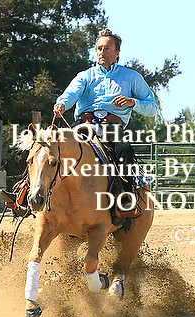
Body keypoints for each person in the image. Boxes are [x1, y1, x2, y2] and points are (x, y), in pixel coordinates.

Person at [53, 29, 158, 210]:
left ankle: (125, 196)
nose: (102, 52)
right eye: (99, 48)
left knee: (124, 149)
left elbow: (152, 108)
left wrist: (132, 102)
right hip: (83, 124)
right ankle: (28, 193)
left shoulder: (131, 77)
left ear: (117, 53)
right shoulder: (85, 76)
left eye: (107, 48)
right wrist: (62, 104)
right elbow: (71, 93)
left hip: (112, 126)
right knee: (52, 146)